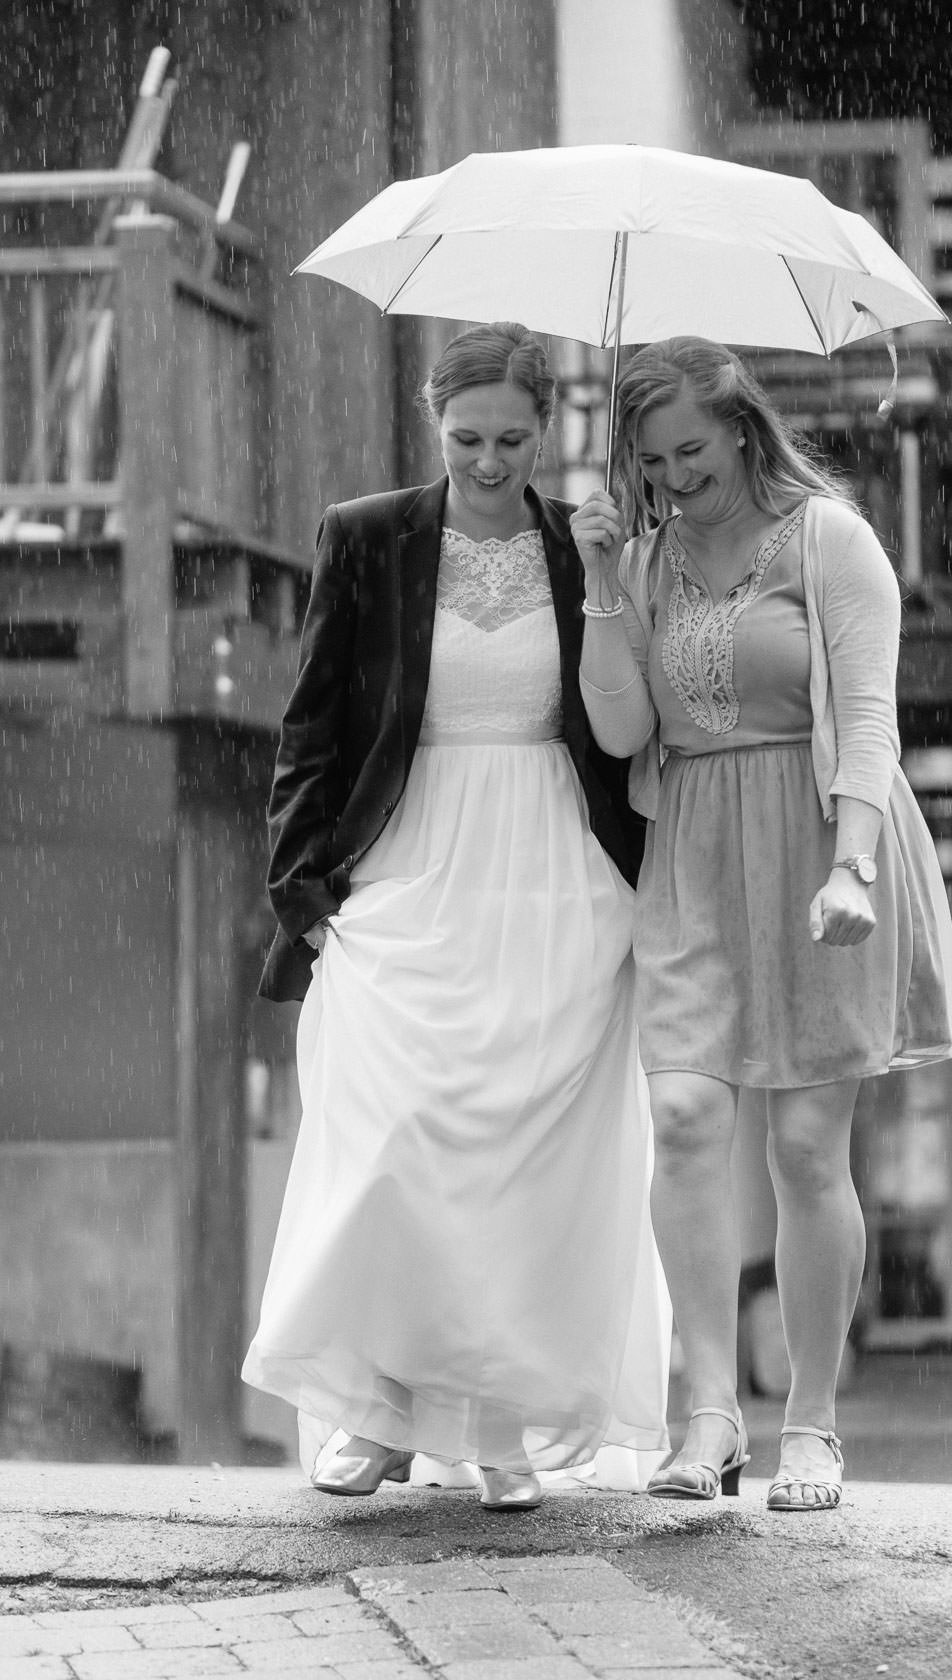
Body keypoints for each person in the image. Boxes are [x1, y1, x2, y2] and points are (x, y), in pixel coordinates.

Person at [243, 322, 669, 1510]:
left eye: (513, 439)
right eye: (467, 436)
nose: (489, 459)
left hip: (549, 870)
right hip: (409, 860)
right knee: (395, 1140)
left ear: (547, 431)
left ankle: (491, 1427)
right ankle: (376, 1416)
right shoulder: (367, 536)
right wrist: (302, 890)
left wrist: (607, 585)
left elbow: (624, 721)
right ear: (435, 423)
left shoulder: (581, 543)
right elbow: (313, 725)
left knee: (519, 1166)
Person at [572, 336, 952, 1511]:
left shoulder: (830, 540)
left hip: (819, 844)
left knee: (805, 1147)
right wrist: (602, 589)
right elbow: (613, 730)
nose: (671, 476)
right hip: (693, 852)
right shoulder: (643, 561)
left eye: (689, 451)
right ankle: (708, 1413)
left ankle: (813, 1421)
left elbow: (868, 722)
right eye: (650, 461)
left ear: (742, 429)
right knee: (687, 1119)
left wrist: (853, 865)